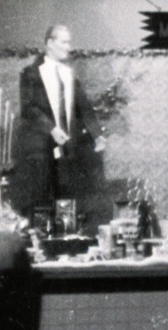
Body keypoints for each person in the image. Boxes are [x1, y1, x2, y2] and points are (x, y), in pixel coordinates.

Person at [13, 24, 105, 224]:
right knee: (42, 201)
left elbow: (84, 108)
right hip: (40, 152)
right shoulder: (31, 73)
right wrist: (51, 129)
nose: (68, 47)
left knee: (67, 200)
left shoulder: (69, 74)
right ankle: (41, 241)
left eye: (69, 42)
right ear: (50, 43)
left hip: (68, 152)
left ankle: (65, 239)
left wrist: (97, 134)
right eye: (64, 42)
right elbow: (28, 108)